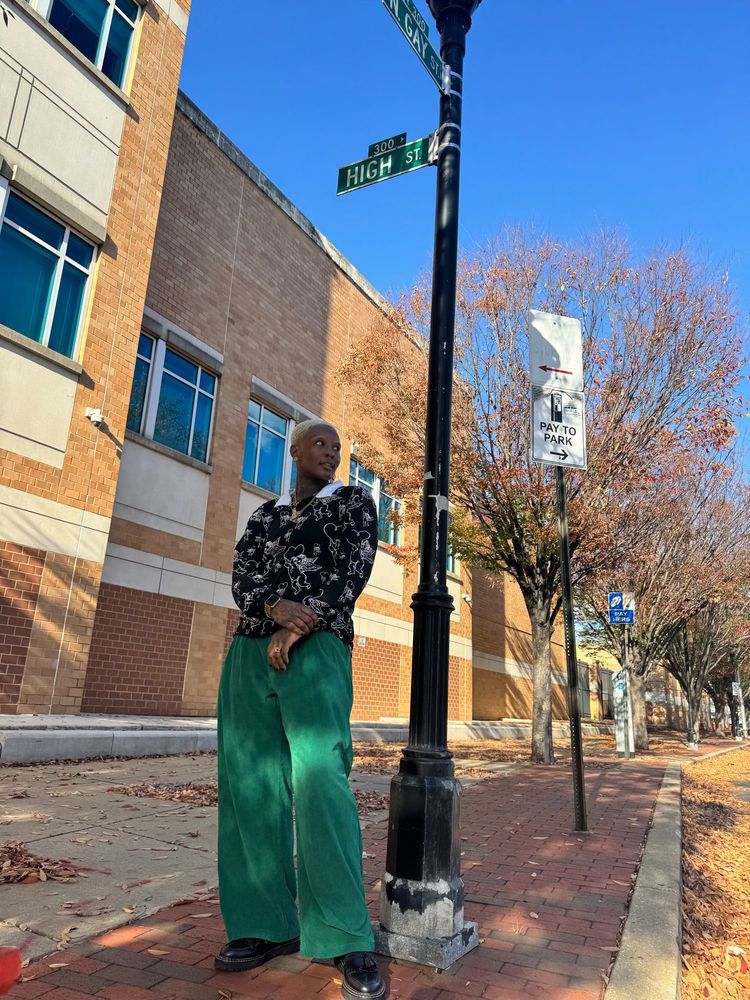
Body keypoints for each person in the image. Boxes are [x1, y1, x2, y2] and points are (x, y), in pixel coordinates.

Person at [215, 419, 386, 1000]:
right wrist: (274, 609)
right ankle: (263, 924)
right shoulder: (265, 514)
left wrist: (299, 623)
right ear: (294, 451)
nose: (331, 453)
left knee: (320, 782)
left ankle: (345, 933)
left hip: (318, 649)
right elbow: (242, 576)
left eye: (337, 447)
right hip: (249, 651)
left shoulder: (354, 504)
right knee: (249, 786)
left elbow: (351, 572)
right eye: (320, 444)